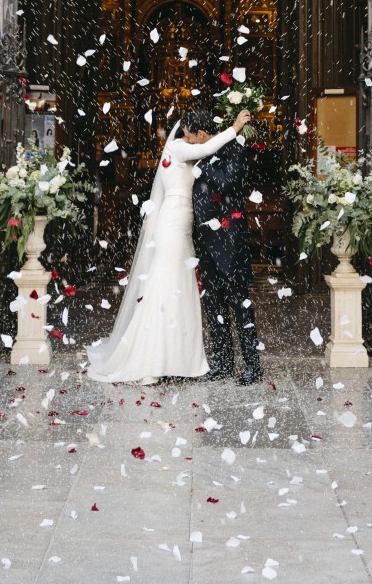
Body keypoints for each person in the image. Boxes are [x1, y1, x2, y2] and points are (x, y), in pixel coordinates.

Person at [86, 108, 253, 384]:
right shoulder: (177, 148)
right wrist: (234, 127)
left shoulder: (184, 151)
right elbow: (210, 145)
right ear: (185, 132)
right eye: (190, 134)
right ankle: (150, 360)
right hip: (173, 226)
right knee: (166, 289)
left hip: (181, 228)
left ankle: (176, 358)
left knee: (178, 291)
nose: (193, 138)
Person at [191, 108, 263, 386]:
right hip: (205, 242)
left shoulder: (235, 149)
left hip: (230, 241)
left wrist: (206, 162)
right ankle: (223, 362)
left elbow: (228, 181)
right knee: (213, 304)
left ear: (203, 135)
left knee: (239, 303)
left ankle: (252, 366)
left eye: (194, 139)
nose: (192, 145)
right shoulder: (199, 153)